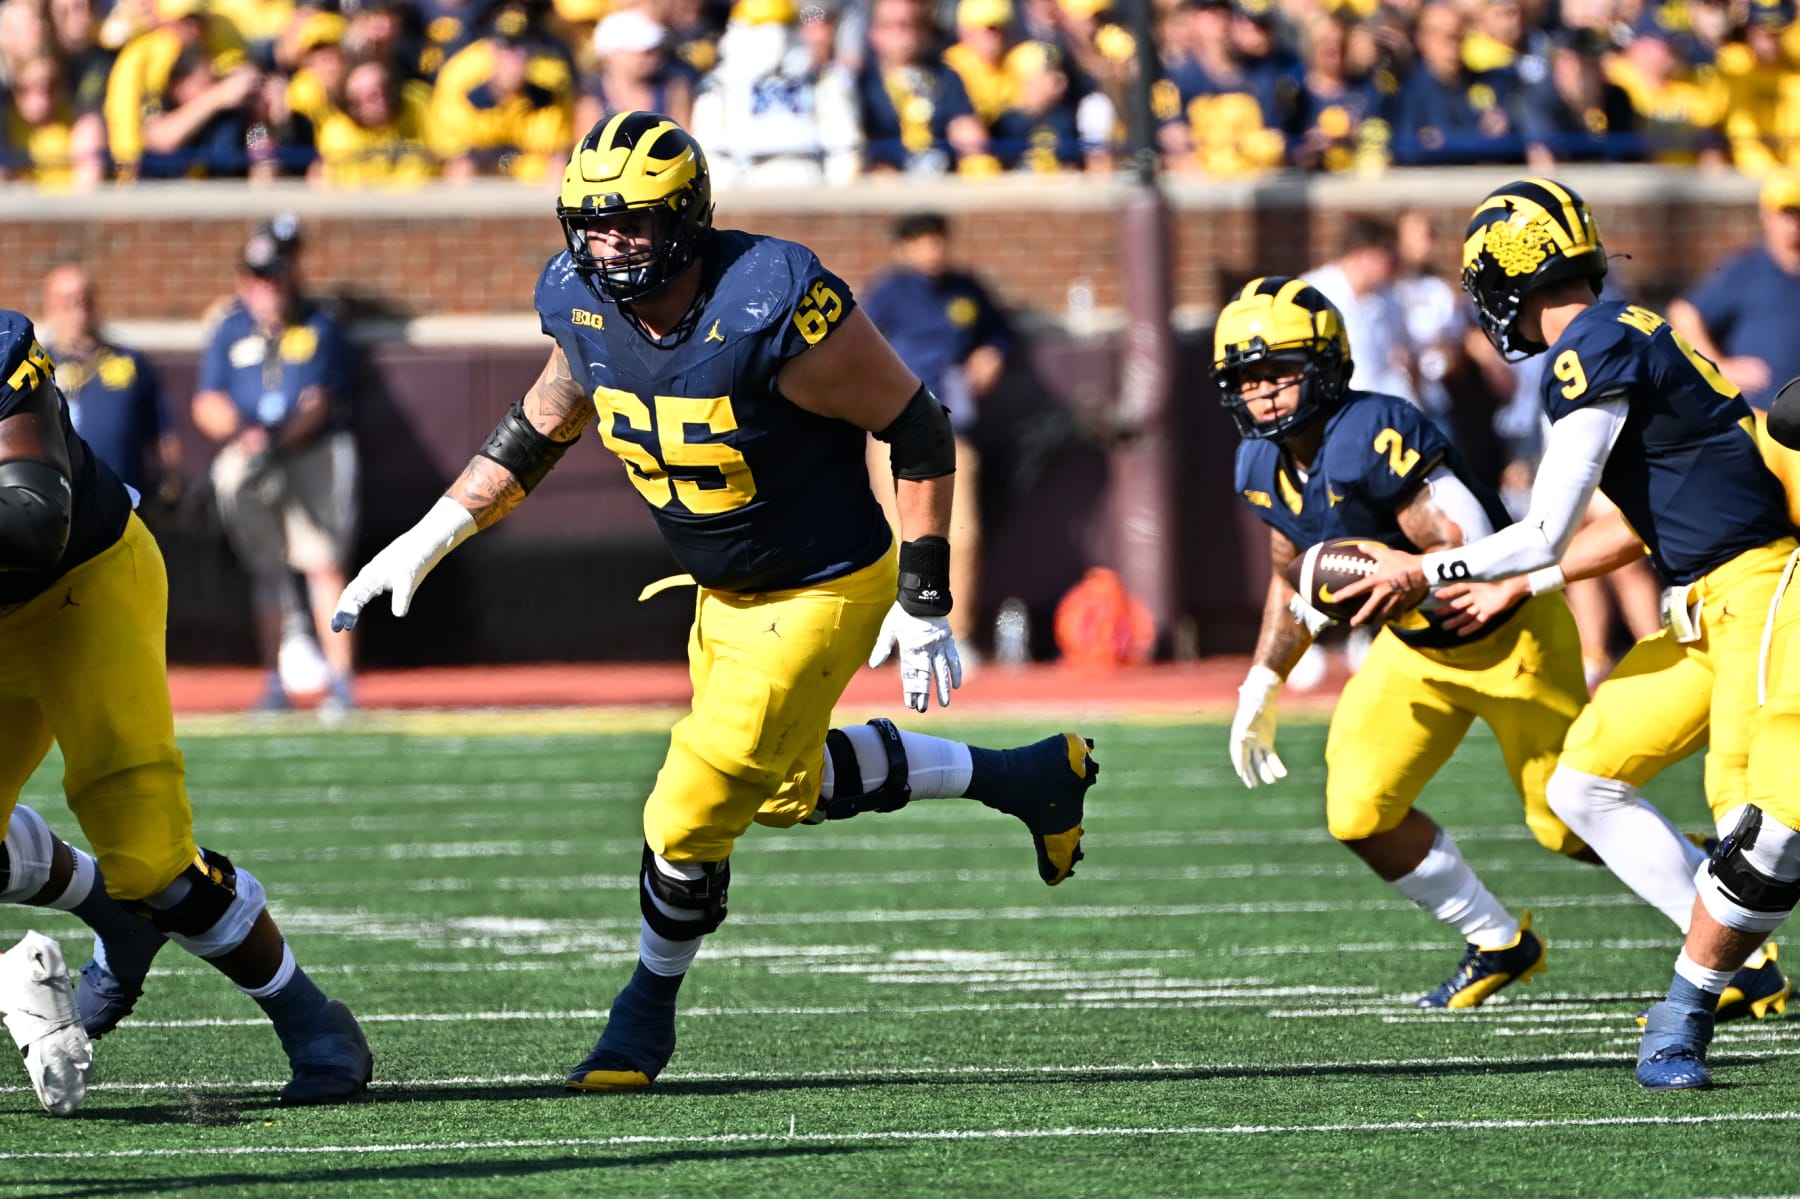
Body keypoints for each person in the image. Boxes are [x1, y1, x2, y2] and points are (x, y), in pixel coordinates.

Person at [330, 111, 1099, 1093]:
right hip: (723, 593)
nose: (608, 246)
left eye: (633, 226)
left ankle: (641, 1018)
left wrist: (925, 590)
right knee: (780, 788)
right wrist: (432, 532)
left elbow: (919, 428)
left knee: (689, 806)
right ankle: (1033, 776)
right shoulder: (580, 302)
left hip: (822, 586)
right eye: (592, 225)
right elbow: (546, 419)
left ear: (687, 220)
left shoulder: (775, 304)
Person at [1336, 178, 1799, 1090]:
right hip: (1703, 604)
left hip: (1761, 593)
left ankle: (1695, 998)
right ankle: (1737, 957)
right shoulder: (1632, 330)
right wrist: (1531, 583)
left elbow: (1547, 525)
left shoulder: (1590, 350)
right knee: (1584, 784)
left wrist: (1420, 569)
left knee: (1760, 826)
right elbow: (1641, 515)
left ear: (1510, 282)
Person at [0, 309, 371, 1110]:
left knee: (150, 858)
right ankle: (112, 916)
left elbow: (32, 515)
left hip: (79, 590)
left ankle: (311, 1018)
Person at [1219, 276, 1588, 1009]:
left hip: (1507, 635)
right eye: (1246, 378)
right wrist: (1262, 680)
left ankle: (1736, 903)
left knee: (1575, 822)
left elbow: (1470, 545)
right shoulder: (1259, 464)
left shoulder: (1373, 433)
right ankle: (1498, 941)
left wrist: (1405, 573)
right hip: (1415, 654)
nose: (1260, 393)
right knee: (1358, 809)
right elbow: (1291, 573)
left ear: (1324, 367)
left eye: (1278, 373)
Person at [191, 218, 358, 713]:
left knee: (324, 564)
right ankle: (274, 681)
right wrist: (244, 434)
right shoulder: (229, 328)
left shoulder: (319, 323)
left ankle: (342, 683)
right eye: (258, 276)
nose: (267, 286)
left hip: (310, 454)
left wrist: (278, 437)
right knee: (266, 569)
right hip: (253, 454)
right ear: (244, 280)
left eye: (275, 275)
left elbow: (318, 401)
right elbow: (207, 402)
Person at [860, 211, 1011, 653]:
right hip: (893, 430)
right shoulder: (888, 293)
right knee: (895, 536)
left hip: (950, 427)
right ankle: (889, 634)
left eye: (938, 241)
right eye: (922, 242)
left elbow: (1001, 334)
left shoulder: (967, 290)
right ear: (904, 248)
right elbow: (856, 347)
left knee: (960, 532)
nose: (933, 251)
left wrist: (991, 353)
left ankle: (956, 632)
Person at [1667, 170, 1800, 525]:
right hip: (1762, 424)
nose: (1794, 224)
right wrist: (1721, 365)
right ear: (1767, 215)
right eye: (1786, 212)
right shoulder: (1746, 270)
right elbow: (1684, 312)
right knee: (1761, 523)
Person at [38, 262, 180, 512]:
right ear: (49, 307)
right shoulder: (38, 366)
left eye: (85, 298)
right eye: (67, 300)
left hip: (124, 503)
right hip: (57, 507)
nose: (78, 307)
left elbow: (162, 434)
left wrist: (169, 483)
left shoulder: (130, 361)